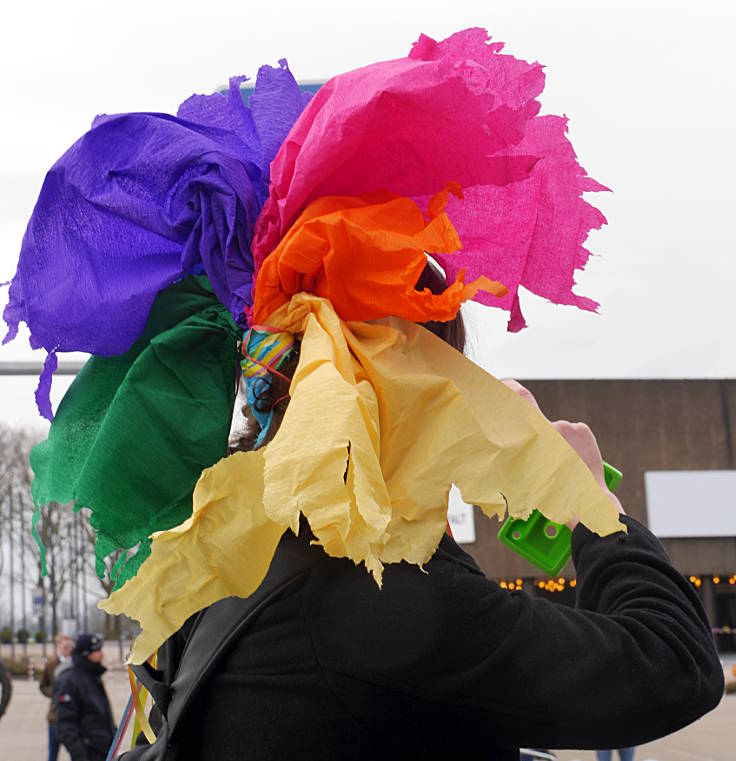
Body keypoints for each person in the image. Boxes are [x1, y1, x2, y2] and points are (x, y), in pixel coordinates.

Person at [5, 27, 725, 761]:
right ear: (400, 383)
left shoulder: (232, 573)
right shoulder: (387, 602)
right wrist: (590, 508)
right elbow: (672, 664)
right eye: (450, 381)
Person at [53, 633, 116, 761]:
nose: (101, 654)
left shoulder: (92, 675)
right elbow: (65, 724)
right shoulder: (69, 680)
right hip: (88, 752)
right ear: (86, 654)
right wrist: (81, 755)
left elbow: (100, 713)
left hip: (104, 750)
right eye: (97, 650)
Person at [39, 633, 74, 761]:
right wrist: (54, 693)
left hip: (73, 717)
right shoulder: (51, 665)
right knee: (53, 754)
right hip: (55, 716)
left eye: (71, 647)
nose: (69, 650)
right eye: (66, 647)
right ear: (58, 646)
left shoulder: (76, 664)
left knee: (76, 753)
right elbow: (43, 686)